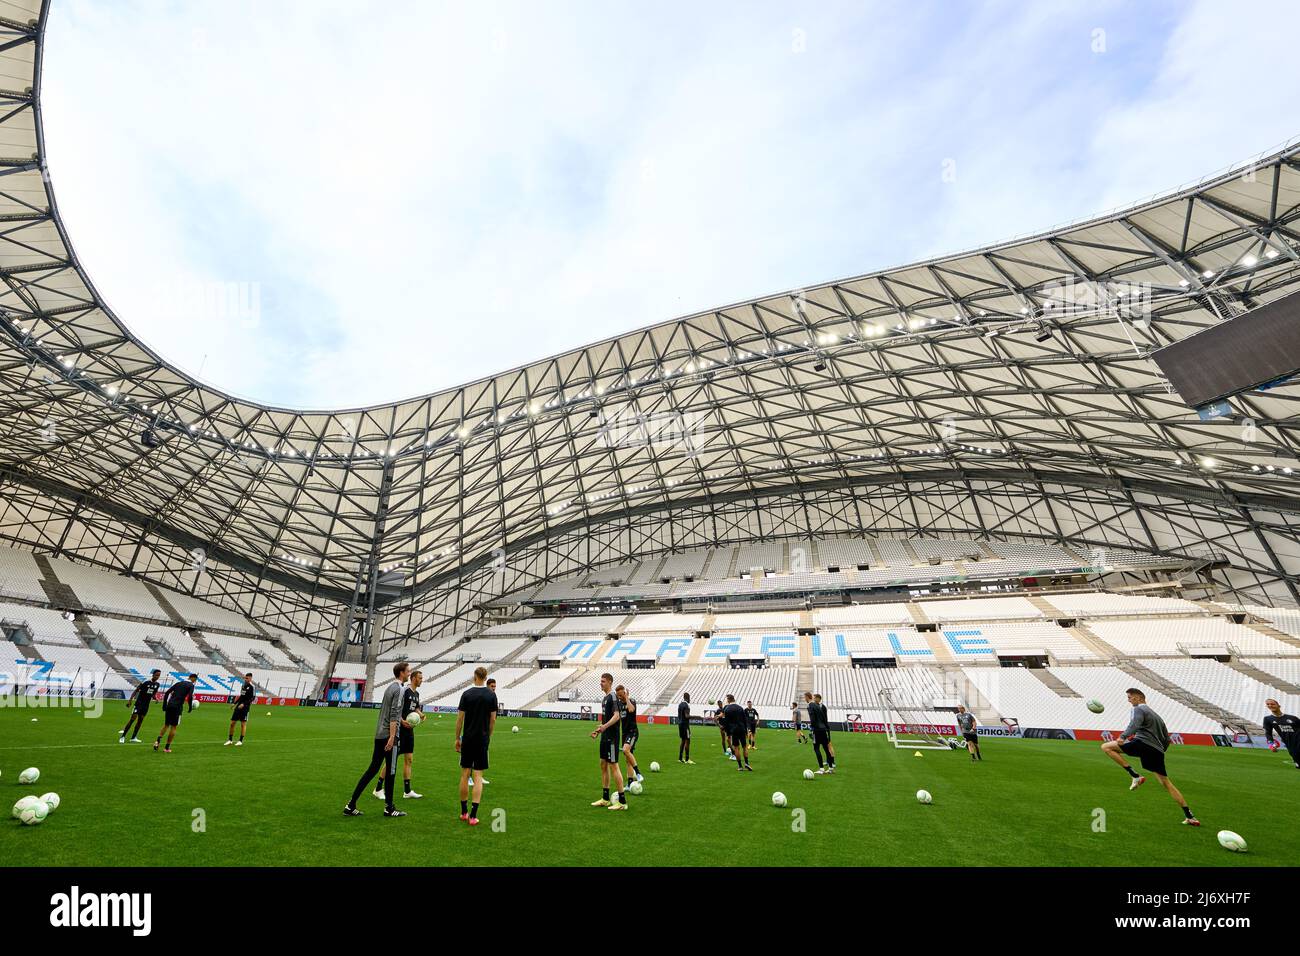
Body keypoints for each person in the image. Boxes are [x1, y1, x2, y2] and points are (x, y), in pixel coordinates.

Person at [1101, 688, 1199, 826]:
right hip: (1156, 751)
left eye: (1130, 697)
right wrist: (1160, 751)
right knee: (1166, 783)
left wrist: (1123, 737)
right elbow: (1166, 739)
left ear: (1138, 698)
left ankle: (1135, 775)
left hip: (1142, 742)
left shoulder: (1138, 709)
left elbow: (1134, 724)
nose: (1128, 700)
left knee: (1106, 747)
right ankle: (1190, 815)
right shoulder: (1158, 717)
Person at [343, 663, 408, 818]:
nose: (409, 673)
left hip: (379, 734)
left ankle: (351, 805)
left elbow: (390, 711)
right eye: (408, 671)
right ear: (401, 673)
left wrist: (401, 720)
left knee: (372, 769)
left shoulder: (389, 688)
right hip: (389, 736)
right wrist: (392, 737)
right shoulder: (399, 689)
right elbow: (393, 713)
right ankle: (389, 808)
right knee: (391, 771)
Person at [455, 666, 497, 826]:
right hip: (482, 740)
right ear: (486, 678)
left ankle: (464, 812)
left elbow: (460, 719)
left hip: (468, 739)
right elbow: (493, 719)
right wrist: (489, 735)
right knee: (478, 776)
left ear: (475, 677)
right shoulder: (491, 695)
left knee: (465, 774)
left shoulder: (466, 694)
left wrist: (457, 738)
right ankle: (473, 816)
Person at [375, 669, 424, 799]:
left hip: (409, 731)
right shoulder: (404, 691)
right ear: (413, 678)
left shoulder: (416, 693)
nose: (421, 680)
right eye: (419, 678)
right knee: (392, 760)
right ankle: (378, 788)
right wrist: (402, 721)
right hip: (399, 730)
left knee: (409, 759)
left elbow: (416, 707)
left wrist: (420, 715)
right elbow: (398, 709)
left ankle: (407, 791)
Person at [589, 673, 628, 810]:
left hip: (612, 737)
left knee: (614, 766)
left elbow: (617, 716)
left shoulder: (613, 696)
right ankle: (605, 799)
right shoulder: (605, 698)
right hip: (605, 736)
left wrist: (605, 727)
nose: (601, 683)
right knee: (603, 764)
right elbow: (606, 719)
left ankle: (622, 802)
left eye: (603, 681)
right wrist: (599, 730)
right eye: (600, 681)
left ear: (610, 682)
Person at [153, 673, 197, 753]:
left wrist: (164, 705)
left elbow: (166, 693)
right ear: (193, 678)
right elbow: (190, 696)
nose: (195, 681)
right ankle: (166, 748)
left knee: (166, 725)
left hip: (169, 705)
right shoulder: (191, 685)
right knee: (173, 727)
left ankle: (157, 741)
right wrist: (190, 707)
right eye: (195, 679)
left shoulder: (178, 683)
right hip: (177, 707)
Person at [121, 669, 161, 744]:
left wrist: (156, 699)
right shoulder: (145, 682)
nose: (157, 676)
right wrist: (130, 700)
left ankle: (133, 737)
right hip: (139, 704)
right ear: (153, 675)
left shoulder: (157, 685)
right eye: (156, 675)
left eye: (159, 675)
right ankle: (123, 736)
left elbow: (153, 694)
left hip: (146, 705)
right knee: (132, 719)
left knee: (140, 721)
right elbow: (136, 690)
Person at [1263, 698, 1300, 769]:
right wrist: (1271, 744)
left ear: (1278, 705)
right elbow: (1268, 733)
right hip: (1291, 746)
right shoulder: (1268, 719)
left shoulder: (1293, 718)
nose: (1270, 705)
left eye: (1272, 704)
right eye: (1268, 704)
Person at [617, 686, 644, 784]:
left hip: (632, 732)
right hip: (624, 733)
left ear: (624, 693)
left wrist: (627, 697)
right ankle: (629, 784)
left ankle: (638, 773)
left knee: (625, 750)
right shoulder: (619, 704)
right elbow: (617, 717)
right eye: (618, 695)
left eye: (621, 695)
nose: (619, 697)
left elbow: (631, 710)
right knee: (627, 759)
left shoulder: (632, 701)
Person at [806, 691, 836, 774]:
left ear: (807, 697)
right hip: (823, 729)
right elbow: (824, 718)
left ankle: (821, 769)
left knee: (816, 748)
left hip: (817, 730)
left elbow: (812, 719)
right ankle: (830, 768)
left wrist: (812, 729)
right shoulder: (818, 706)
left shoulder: (810, 705)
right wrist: (826, 728)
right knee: (826, 749)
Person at [722, 694, 753, 772]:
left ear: (729, 700)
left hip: (734, 730)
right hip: (742, 729)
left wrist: (728, 733)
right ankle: (746, 763)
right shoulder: (740, 708)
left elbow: (727, 723)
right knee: (744, 746)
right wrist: (746, 731)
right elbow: (744, 720)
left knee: (736, 747)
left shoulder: (727, 709)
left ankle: (740, 766)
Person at [225, 673, 256, 747]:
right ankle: (230, 740)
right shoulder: (243, 685)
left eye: (247, 678)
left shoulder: (252, 686)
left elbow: (253, 698)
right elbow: (241, 696)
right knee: (232, 723)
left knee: (243, 724)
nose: (245, 679)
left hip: (245, 707)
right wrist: (234, 703)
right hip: (239, 706)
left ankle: (240, 740)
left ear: (250, 678)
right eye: (245, 678)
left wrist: (244, 704)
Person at [678, 693, 694, 764]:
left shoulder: (680, 704)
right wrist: (696, 717)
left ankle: (680, 758)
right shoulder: (686, 705)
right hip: (685, 725)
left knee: (683, 741)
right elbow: (687, 716)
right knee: (688, 741)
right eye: (689, 697)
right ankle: (687, 759)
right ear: (687, 697)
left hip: (680, 724)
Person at [714, 694, 731, 758]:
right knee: (723, 739)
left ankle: (729, 750)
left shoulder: (725, 708)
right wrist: (719, 725)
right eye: (719, 704)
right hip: (722, 727)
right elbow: (715, 719)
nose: (720, 704)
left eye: (721, 703)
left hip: (727, 725)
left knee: (729, 738)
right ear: (718, 705)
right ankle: (725, 751)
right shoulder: (718, 711)